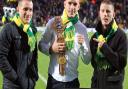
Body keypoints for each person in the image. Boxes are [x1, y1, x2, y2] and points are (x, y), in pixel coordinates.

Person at [38, 0, 92, 88]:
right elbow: (41, 45)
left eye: (75, 4)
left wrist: (83, 46)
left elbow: (87, 60)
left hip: (73, 82)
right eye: (69, 3)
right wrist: (51, 49)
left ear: (78, 6)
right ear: (64, 4)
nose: (72, 7)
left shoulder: (82, 29)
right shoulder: (53, 22)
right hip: (54, 81)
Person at [0, 0, 38, 89]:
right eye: (25, 9)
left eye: (30, 10)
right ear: (18, 9)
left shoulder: (32, 31)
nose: (28, 13)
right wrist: (15, 78)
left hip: (30, 85)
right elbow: (1, 56)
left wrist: (35, 75)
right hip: (13, 86)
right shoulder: (8, 29)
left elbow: (34, 56)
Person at [90, 0, 127, 89]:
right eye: (102, 11)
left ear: (113, 14)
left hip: (113, 86)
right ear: (99, 13)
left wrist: (104, 48)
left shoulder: (121, 36)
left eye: (108, 11)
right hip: (97, 84)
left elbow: (121, 64)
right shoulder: (94, 37)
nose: (105, 14)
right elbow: (94, 64)